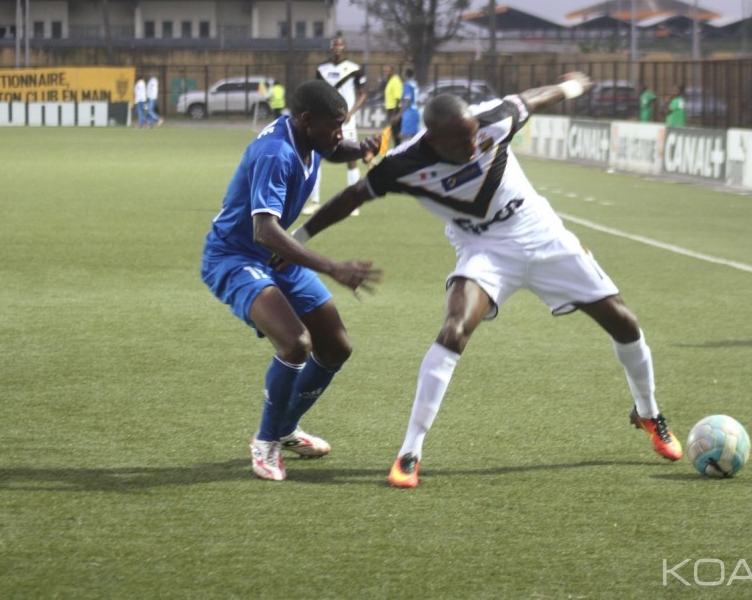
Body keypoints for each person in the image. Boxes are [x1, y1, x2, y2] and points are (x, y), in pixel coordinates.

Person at [292, 72, 683, 489]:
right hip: (485, 251)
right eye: (459, 144)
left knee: (624, 322)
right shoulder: (403, 165)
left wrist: (573, 87)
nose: (472, 146)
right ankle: (410, 452)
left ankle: (648, 412)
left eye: (474, 136)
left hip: (541, 234)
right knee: (454, 328)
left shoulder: (495, 119)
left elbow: (535, 96)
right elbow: (349, 198)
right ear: (434, 142)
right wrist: (297, 239)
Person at [200, 80, 382, 481]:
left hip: (278, 256)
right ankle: (265, 442)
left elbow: (335, 149)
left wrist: (368, 148)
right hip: (235, 257)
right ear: (306, 120)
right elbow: (264, 230)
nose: (340, 132)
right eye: (336, 125)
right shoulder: (275, 153)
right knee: (295, 342)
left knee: (336, 346)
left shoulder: (308, 138)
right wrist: (333, 267)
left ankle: (284, 428)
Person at [305, 34, 369, 216]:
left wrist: (351, 112)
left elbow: (364, 94)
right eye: (334, 44)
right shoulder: (322, 69)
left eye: (340, 45)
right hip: (324, 121)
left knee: (351, 159)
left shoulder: (355, 69)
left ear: (345, 48)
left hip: (345, 121)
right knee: (315, 159)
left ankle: (354, 203)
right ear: (331, 48)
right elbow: (316, 91)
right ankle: (314, 201)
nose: (336, 47)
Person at [380, 64, 404, 153]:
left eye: (387, 71)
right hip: (391, 109)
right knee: (394, 133)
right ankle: (397, 150)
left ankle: (399, 150)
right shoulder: (390, 80)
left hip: (394, 109)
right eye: (384, 71)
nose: (385, 73)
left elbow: (397, 98)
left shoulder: (395, 80)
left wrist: (395, 115)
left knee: (396, 133)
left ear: (392, 71)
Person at [398, 68, 421, 141]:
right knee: (414, 136)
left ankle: (406, 151)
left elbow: (407, 100)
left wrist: (399, 114)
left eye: (403, 73)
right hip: (416, 111)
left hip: (409, 112)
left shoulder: (407, 85)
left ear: (405, 74)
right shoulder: (415, 84)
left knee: (404, 135)